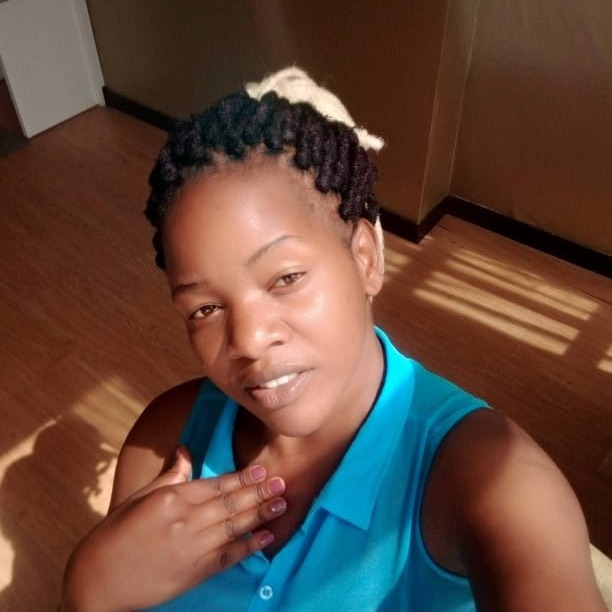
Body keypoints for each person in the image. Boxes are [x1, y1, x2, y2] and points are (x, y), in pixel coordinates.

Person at [62, 67, 606, 611]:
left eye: (286, 278)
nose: (248, 340)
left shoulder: (491, 481)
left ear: (365, 258)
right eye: (205, 308)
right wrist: (89, 588)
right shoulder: (163, 443)